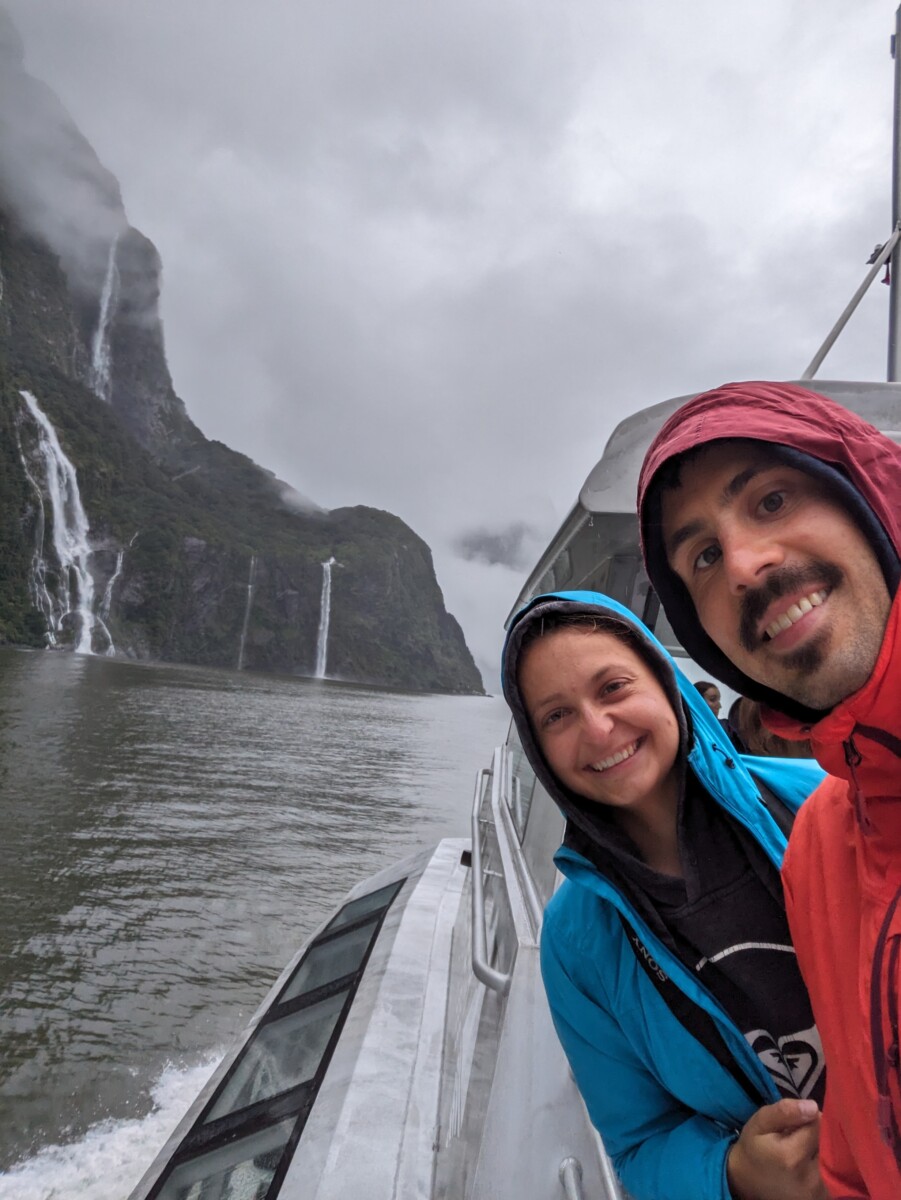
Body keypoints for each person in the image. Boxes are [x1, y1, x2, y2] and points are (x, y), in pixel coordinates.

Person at [637, 379, 901, 1199]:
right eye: (703, 558)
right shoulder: (818, 848)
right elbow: (855, 1159)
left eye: (772, 499)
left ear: (868, 497)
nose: (745, 565)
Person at [501, 588, 825, 1200]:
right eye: (556, 716)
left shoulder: (820, 800)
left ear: (665, 682)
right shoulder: (576, 942)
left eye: (613, 688)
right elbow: (639, 1141)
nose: (598, 729)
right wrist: (733, 1173)